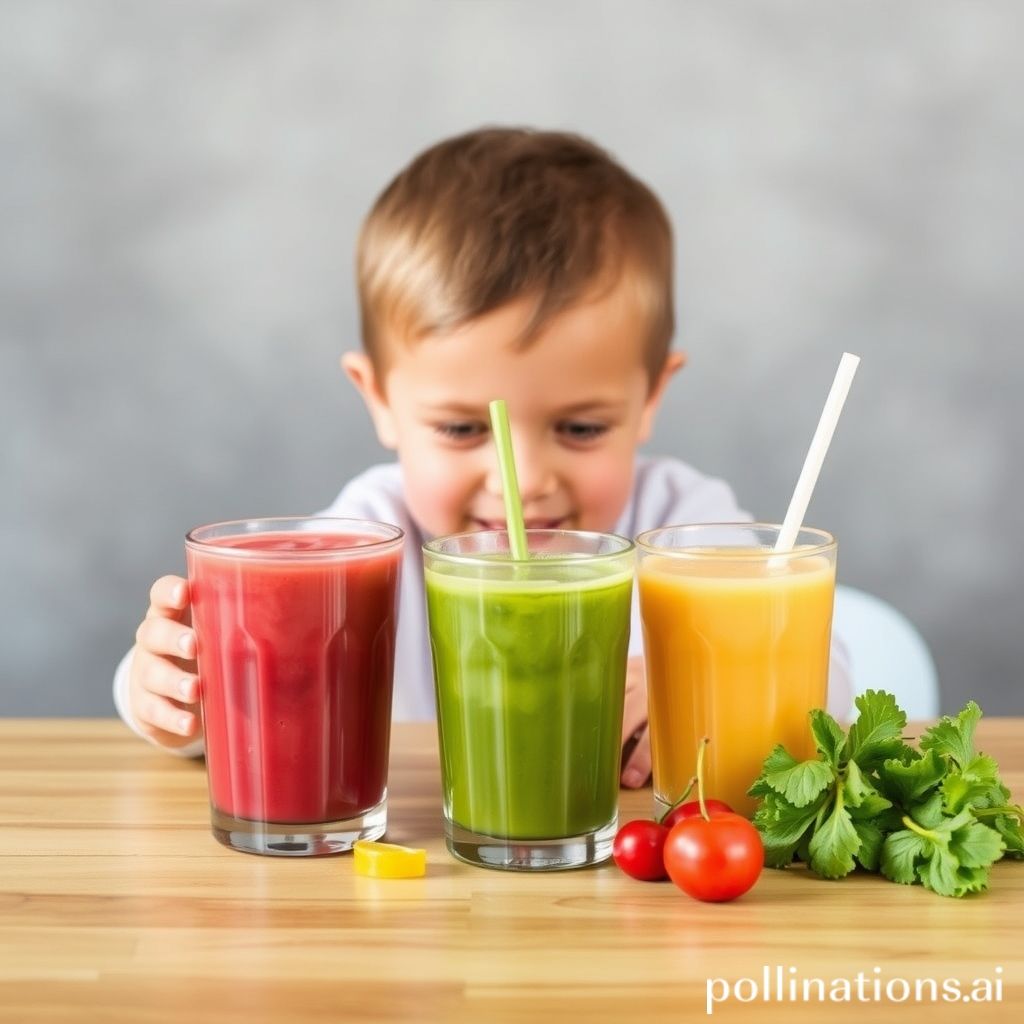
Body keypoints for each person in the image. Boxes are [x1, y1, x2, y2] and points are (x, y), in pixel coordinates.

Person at [112, 127, 851, 787]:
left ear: (652, 395)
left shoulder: (684, 526)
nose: (524, 482)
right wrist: (172, 693)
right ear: (378, 399)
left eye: (582, 428)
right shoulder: (364, 539)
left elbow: (830, 677)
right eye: (464, 431)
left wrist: (700, 687)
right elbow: (247, 677)